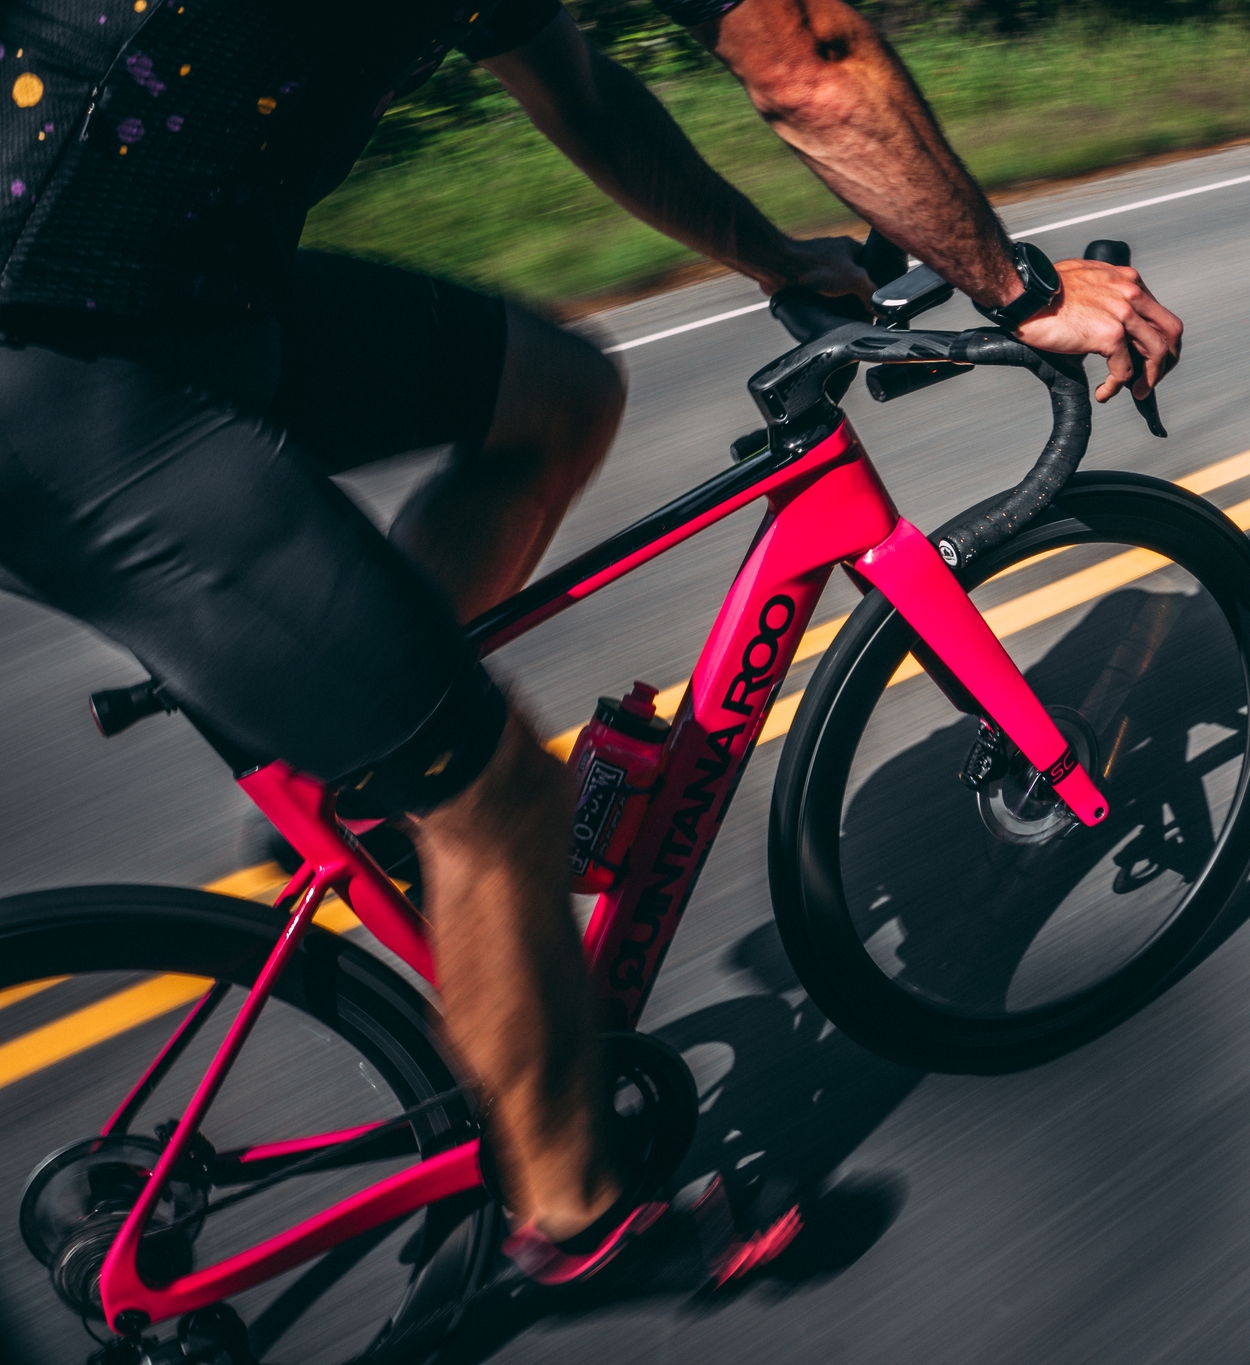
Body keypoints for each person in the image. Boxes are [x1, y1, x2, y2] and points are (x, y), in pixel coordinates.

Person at [0, 0, 1184, 1285]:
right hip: (56, 365)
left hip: (186, 299)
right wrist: (1015, 290)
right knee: (498, 793)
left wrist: (776, 258)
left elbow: (583, 91)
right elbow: (811, 60)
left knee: (557, 392)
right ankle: (576, 1219)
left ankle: (364, 774)